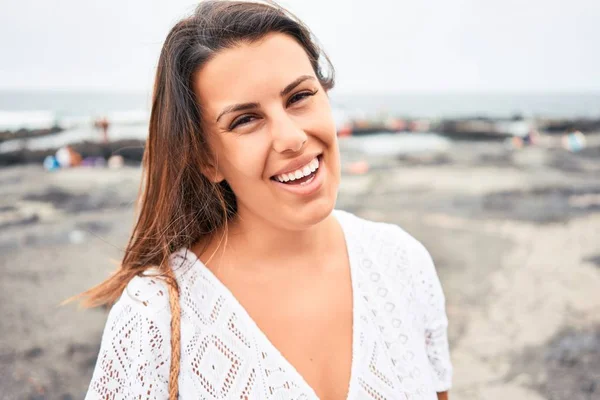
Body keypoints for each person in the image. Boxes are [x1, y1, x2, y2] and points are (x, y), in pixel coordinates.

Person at [80, 1, 452, 399]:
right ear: (206, 158)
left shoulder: (403, 263)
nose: (291, 137)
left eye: (299, 97)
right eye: (245, 119)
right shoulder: (152, 318)